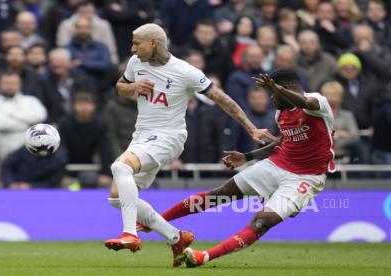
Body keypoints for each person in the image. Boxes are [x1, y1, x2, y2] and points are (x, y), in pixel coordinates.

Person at [104, 23, 277, 267]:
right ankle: (177, 238)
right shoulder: (136, 63)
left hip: (168, 136)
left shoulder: (185, 72)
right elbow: (120, 87)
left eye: (136, 43)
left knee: (120, 168)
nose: (132, 49)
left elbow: (222, 99)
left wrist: (250, 128)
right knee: (116, 198)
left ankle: (130, 234)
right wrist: (132, 87)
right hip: (142, 135)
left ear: (154, 42)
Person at [157, 69, 335, 267]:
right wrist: (247, 157)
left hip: (305, 177)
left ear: (284, 89)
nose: (271, 99)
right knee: (220, 194)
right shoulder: (281, 113)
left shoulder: (317, 102)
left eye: (273, 93)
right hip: (276, 165)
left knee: (262, 222)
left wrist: (277, 89)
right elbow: (284, 142)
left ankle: (203, 257)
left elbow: (305, 103)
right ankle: (155, 221)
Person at [0, 72, 47, 159]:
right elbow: (0, 124)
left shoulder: (31, 100)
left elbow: (41, 115)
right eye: (6, 83)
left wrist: (13, 115)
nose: (10, 86)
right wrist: (29, 124)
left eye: (14, 83)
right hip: (3, 153)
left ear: (20, 85)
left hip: (30, 151)